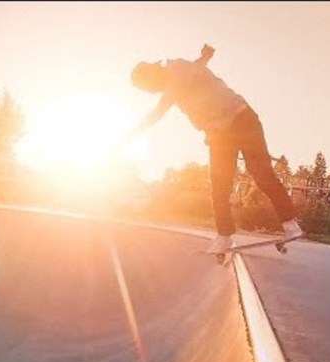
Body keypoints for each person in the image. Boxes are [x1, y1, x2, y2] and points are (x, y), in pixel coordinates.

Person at [129, 44, 304, 254]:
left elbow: (161, 108)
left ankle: (290, 223)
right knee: (219, 186)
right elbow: (197, 67)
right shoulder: (182, 75)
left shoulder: (176, 68)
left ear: (153, 74)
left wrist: (134, 132)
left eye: (150, 88)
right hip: (220, 135)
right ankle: (224, 236)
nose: (154, 92)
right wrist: (205, 58)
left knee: (261, 173)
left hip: (242, 119)